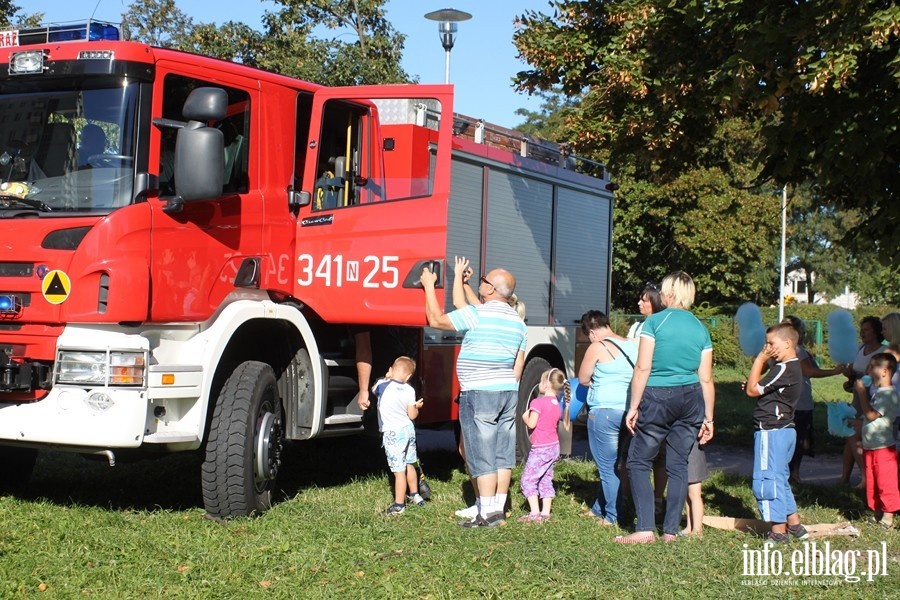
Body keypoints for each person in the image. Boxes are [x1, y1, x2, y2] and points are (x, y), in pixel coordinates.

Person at [420, 262, 526, 528]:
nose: (481, 281)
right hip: (507, 390)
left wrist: (429, 287)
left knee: (481, 452)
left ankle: (487, 514)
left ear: (490, 289)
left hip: (480, 391)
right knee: (502, 452)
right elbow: (517, 363)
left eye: (484, 279)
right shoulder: (517, 321)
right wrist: (464, 282)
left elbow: (436, 320)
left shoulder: (477, 315)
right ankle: (498, 508)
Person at [618, 271, 715, 544]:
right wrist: (709, 417)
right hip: (692, 397)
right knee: (678, 465)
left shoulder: (654, 323)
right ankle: (671, 530)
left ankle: (645, 528)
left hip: (658, 397)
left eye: (662, 290)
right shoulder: (700, 328)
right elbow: (706, 377)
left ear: (670, 294)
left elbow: (643, 367)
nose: (659, 294)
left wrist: (633, 406)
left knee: (638, 461)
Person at [745, 322, 809, 543]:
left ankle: (778, 532)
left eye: (772, 343)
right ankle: (794, 526)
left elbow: (753, 390)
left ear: (789, 343)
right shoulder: (791, 367)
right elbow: (760, 387)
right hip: (785, 430)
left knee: (767, 480)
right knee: (780, 478)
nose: (768, 347)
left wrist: (760, 360)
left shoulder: (783, 368)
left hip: (771, 431)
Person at [578, 310, 638, 526]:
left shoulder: (597, 347)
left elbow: (583, 379)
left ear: (592, 332)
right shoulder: (632, 345)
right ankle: (598, 508)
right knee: (615, 463)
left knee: (606, 467)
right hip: (627, 412)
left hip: (603, 413)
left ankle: (613, 516)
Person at [781, 316, 846, 483]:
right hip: (799, 404)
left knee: (788, 441)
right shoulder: (797, 350)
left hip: (783, 402)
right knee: (798, 440)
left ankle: (788, 473)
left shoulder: (779, 349)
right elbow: (810, 371)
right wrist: (835, 371)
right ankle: (793, 474)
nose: (804, 335)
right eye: (802, 332)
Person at [626, 283, 668, 522]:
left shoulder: (660, 325)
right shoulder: (636, 326)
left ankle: (657, 499)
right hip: (637, 388)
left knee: (658, 452)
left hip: (655, 392)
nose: (639, 304)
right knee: (639, 451)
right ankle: (638, 500)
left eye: (644, 300)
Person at [373, 356, 425, 516]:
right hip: (408, 430)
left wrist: (386, 376)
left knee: (398, 470)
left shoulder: (383, 385)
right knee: (410, 463)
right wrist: (417, 407)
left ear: (392, 369)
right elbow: (412, 415)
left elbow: (373, 390)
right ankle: (415, 495)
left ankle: (399, 505)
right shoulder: (410, 390)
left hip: (393, 433)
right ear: (409, 376)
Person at [518, 368, 570, 522]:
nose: (539, 384)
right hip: (554, 447)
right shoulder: (557, 405)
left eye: (541, 381)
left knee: (528, 480)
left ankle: (534, 513)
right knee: (546, 478)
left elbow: (532, 424)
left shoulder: (537, 402)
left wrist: (524, 417)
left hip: (541, 448)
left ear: (547, 384)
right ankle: (546, 512)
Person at [840, 316, 886, 488]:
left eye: (866, 329)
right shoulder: (860, 348)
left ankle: (866, 477)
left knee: (860, 435)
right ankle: (844, 478)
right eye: (862, 329)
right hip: (857, 395)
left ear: (876, 332)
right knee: (849, 434)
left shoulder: (884, 351)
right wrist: (849, 376)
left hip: (872, 397)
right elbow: (854, 371)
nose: (862, 333)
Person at [855, 352, 899, 529]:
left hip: (883, 448)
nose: (868, 369)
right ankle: (877, 511)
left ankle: (888, 516)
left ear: (884, 371)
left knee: (885, 481)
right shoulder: (878, 392)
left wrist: (861, 393)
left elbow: (871, 414)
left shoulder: (888, 394)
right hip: (870, 446)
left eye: (872, 366)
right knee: (872, 480)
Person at [682, 440, 708, 537]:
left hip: (694, 455)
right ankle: (689, 527)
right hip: (687, 452)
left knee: (694, 494)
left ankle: (697, 530)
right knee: (687, 494)